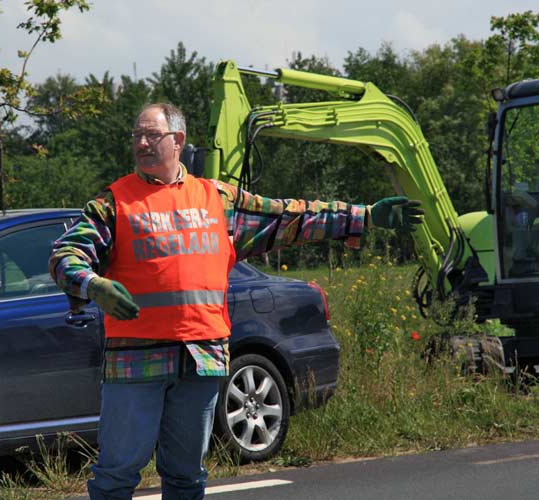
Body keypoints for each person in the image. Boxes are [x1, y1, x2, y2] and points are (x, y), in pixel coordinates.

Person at [49, 102, 423, 500]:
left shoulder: (217, 200)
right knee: (116, 476)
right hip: (136, 362)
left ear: (178, 140)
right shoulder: (114, 203)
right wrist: (91, 284)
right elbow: (64, 255)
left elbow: (288, 217)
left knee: (187, 477)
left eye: (151, 135)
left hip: (201, 358)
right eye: (137, 135)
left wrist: (362, 216)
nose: (141, 142)